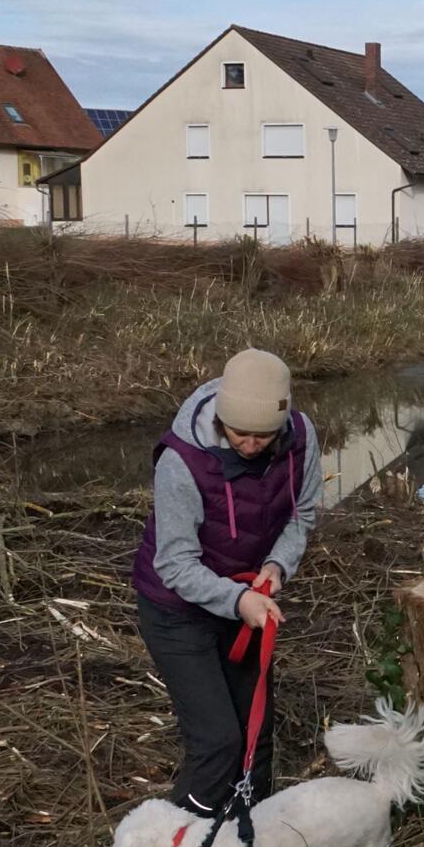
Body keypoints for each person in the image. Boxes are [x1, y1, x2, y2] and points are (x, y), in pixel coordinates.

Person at [130, 348, 322, 817]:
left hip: (246, 603)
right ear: (220, 420)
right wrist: (238, 601)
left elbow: (303, 513)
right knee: (218, 741)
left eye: (263, 435)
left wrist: (277, 566)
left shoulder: (300, 439)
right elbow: (174, 563)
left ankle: (249, 843)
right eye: (240, 434)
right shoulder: (182, 461)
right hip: (177, 612)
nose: (252, 445)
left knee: (255, 734)